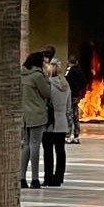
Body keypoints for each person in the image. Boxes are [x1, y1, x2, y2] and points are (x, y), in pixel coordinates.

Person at [20, 51, 51, 189]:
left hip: (24, 114)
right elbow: (47, 93)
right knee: (35, 145)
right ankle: (35, 179)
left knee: (26, 145)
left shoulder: (21, 74)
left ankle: (21, 178)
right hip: (37, 113)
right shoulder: (37, 76)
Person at [42, 58, 72, 186]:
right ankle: (59, 177)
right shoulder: (66, 85)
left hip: (49, 122)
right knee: (60, 151)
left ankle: (48, 177)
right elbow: (69, 106)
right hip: (62, 121)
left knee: (48, 151)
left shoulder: (47, 84)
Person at [65, 54, 86, 144]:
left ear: (68, 62)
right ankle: (76, 136)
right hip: (77, 95)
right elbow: (84, 81)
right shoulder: (80, 71)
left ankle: (68, 135)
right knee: (76, 116)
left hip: (70, 95)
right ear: (76, 62)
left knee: (69, 115)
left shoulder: (69, 71)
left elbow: (65, 80)